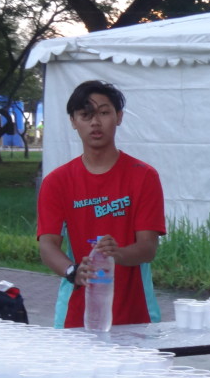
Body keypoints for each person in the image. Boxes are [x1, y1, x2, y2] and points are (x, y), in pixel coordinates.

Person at [37, 80, 165, 328]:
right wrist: (73, 271)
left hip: (135, 316)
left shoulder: (144, 176)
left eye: (104, 113)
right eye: (86, 115)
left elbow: (148, 248)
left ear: (118, 117)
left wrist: (117, 254)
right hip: (74, 318)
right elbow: (47, 246)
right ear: (73, 121)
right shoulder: (57, 182)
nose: (95, 122)